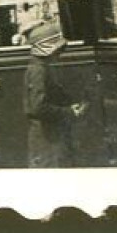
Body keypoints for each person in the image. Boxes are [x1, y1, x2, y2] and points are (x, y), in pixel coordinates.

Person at [23, 21, 85, 168]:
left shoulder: (40, 68)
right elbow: (38, 107)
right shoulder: (39, 71)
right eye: (57, 50)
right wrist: (69, 111)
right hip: (47, 139)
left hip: (49, 136)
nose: (59, 54)